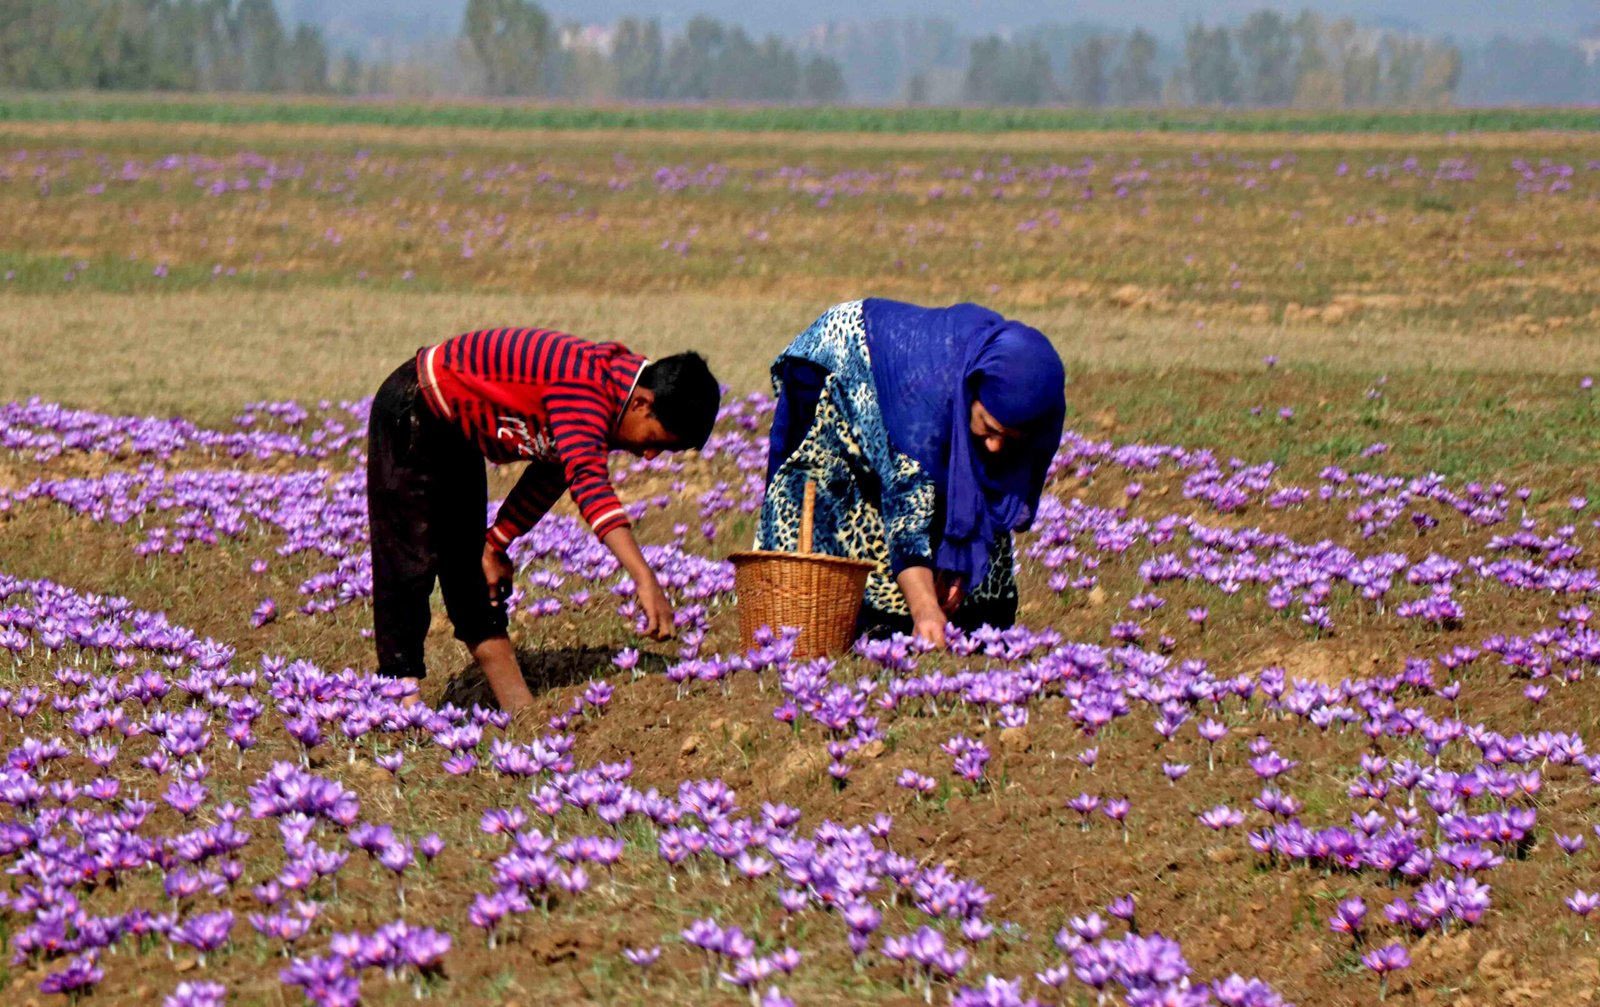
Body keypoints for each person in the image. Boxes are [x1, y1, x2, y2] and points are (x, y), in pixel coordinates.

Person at [367, 327, 721, 712]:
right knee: (407, 565)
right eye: (656, 440)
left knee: (471, 572)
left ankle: (522, 713)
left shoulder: (610, 397)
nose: (650, 456)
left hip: (457, 430)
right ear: (641, 403)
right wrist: (643, 577)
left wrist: (496, 541)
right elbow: (587, 482)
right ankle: (400, 709)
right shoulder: (585, 386)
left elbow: (553, 472)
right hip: (415, 406)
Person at [758, 299, 1065, 649]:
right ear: (972, 394)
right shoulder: (925, 409)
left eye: (1011, 438)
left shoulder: (1009, 381)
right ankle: (832, 615)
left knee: (978, 606)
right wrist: (923, 610)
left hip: (924, 380)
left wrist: (958, 563)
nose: (996, 446)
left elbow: (982, 498)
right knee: (829, 496)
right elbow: (906, 506)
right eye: (990, 428)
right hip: (845, 362)